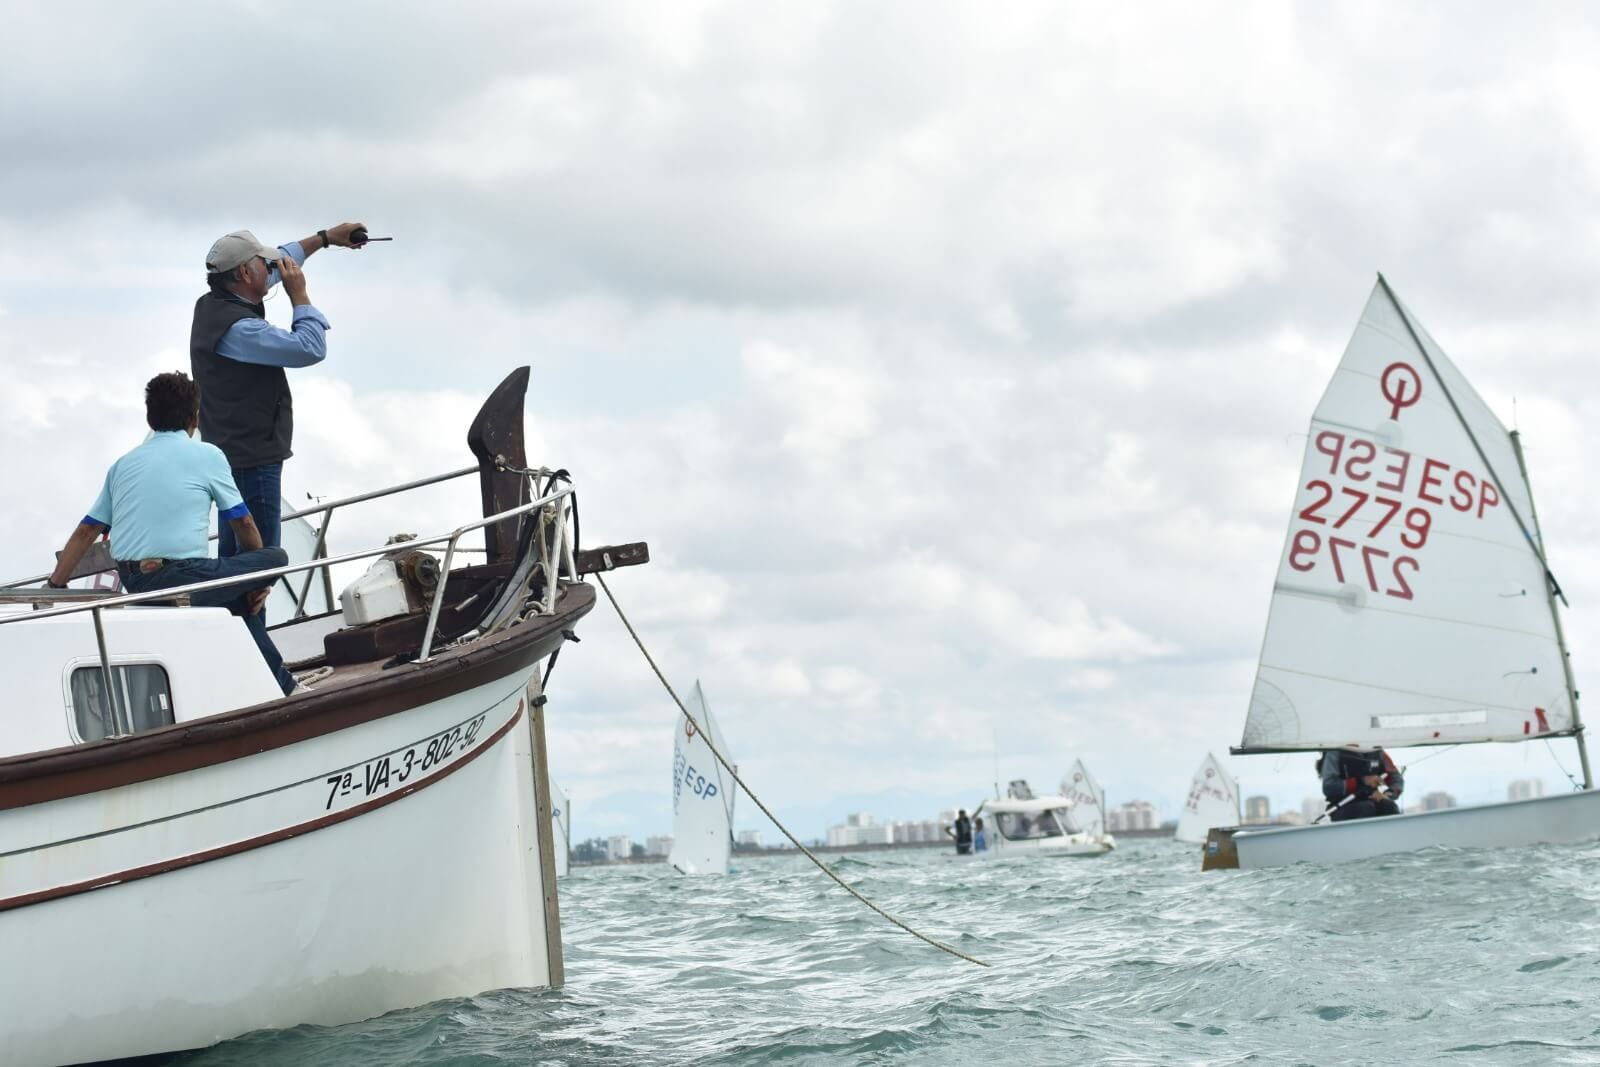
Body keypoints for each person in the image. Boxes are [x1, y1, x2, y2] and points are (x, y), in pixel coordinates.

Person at [47, 372, 296, 695]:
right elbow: (244, 524)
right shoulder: (208, 456)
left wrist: (55, 587)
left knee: (231, 597)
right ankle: (283, 688)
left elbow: (86, 531)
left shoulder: (121, 465)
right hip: (181, 577)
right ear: (195, 418)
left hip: (135, 582)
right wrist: (256, 581)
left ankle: (280, 684)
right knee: (276, 558)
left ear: (150, 418)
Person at [190, 222, 366, 561]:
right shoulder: (240, 330)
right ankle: (251, 598)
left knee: (235, 556)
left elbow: (283, 259)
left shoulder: (216, 301)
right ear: (245, 273)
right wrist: (299, 295)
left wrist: (327, 238)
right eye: (262, 262)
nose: (272, 268)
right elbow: (309, 348)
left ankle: (234, 596)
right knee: (259, 561)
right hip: (252, 459)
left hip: (232, 453)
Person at [1318, 748, 1404, 821]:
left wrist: (1388, 794)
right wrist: (1362, 781)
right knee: (1366, 808)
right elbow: (1329, 787)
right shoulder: (1335, 753)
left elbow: (1396, 778)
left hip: (1372, 802)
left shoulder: (1378, 752)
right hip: (1343, 805)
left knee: (1389, 806)